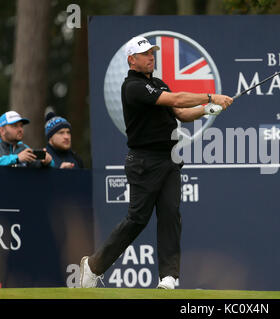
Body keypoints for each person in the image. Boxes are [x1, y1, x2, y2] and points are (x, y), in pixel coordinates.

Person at [80, 35, 233, 289]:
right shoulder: (133, 87)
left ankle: (168, 277)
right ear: (132, 60)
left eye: (153, 53)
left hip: (169, 159)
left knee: (170, 215)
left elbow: (181, 113)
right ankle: (94, 265)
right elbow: (175, 100)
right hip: (143, 160)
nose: (151, 57)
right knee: (137, 219)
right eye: (145, 54)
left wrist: (208, 110)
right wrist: (210, 97)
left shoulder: (158, 83)